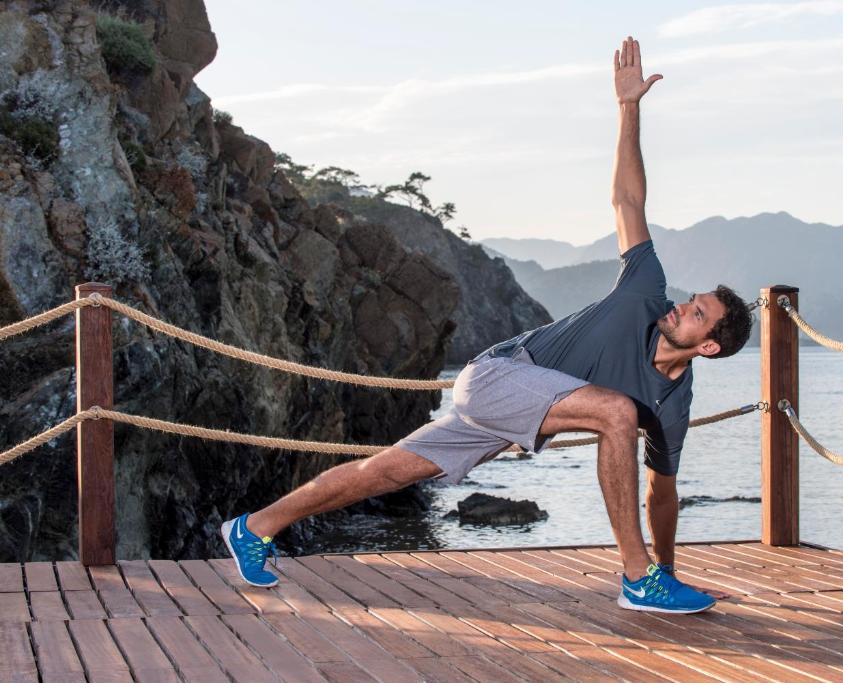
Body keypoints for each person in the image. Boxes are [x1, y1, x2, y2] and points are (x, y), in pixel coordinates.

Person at [222, 36, 753, 615]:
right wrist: (629, 109)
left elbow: (662, 491)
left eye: (696, 313)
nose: (680, 306)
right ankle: (636, 580)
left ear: (706, 347)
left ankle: (253, 528)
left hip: (508, 416)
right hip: (501, 376)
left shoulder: (673, 401)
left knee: (383, 474)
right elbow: (628, 200)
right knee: (616, 413)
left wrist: (673, 571)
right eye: (690, 300)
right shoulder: (644, 291)